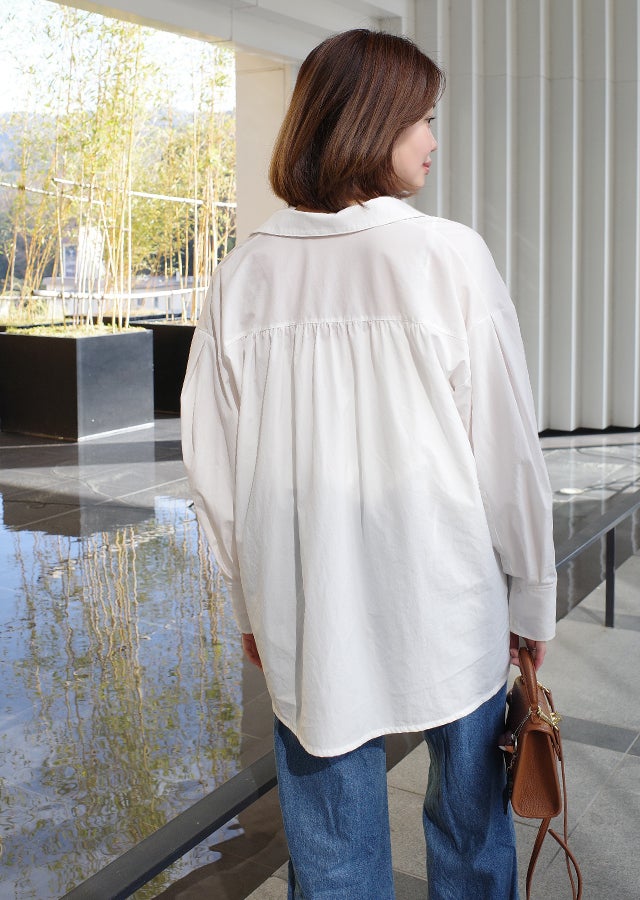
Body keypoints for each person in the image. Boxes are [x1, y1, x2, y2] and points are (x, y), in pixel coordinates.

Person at [181, 28, 556, 900]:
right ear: (369, 123)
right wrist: (532, 591)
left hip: (308, 610)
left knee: (333, 862)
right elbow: (505, 446)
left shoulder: (244, 275)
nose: (433, 140)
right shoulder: (447, 256)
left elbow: (215, 472)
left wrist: (249, 601)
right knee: (472, 839)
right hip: (449, 599)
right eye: (422, 119)